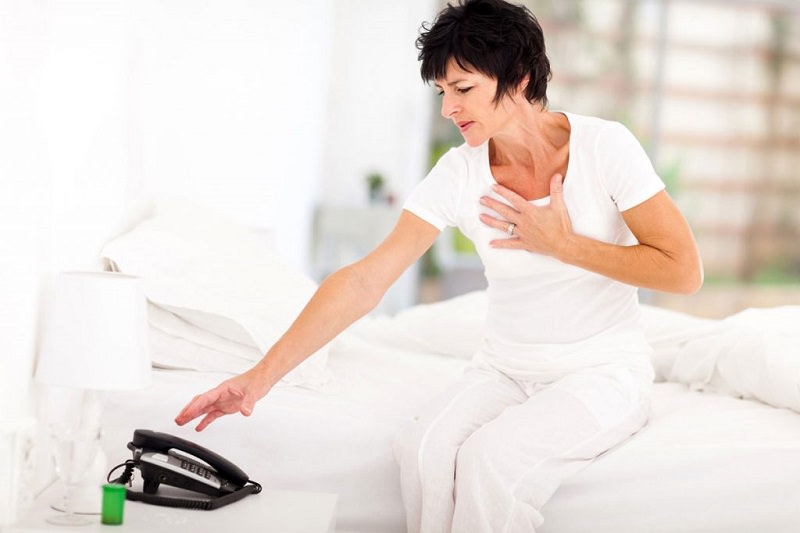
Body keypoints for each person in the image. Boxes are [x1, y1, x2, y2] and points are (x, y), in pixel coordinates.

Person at [175, 0, 703, 530]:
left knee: (490, 462)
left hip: (601, 372)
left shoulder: (605, 147)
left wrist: (563, 245)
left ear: (520, 78)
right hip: (504, 369)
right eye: (442, 92)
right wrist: (259, 378)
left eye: (463, 89)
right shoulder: (460, 172)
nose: (449, 108)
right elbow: (366, 278)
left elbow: (683, 271)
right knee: (422, 448)